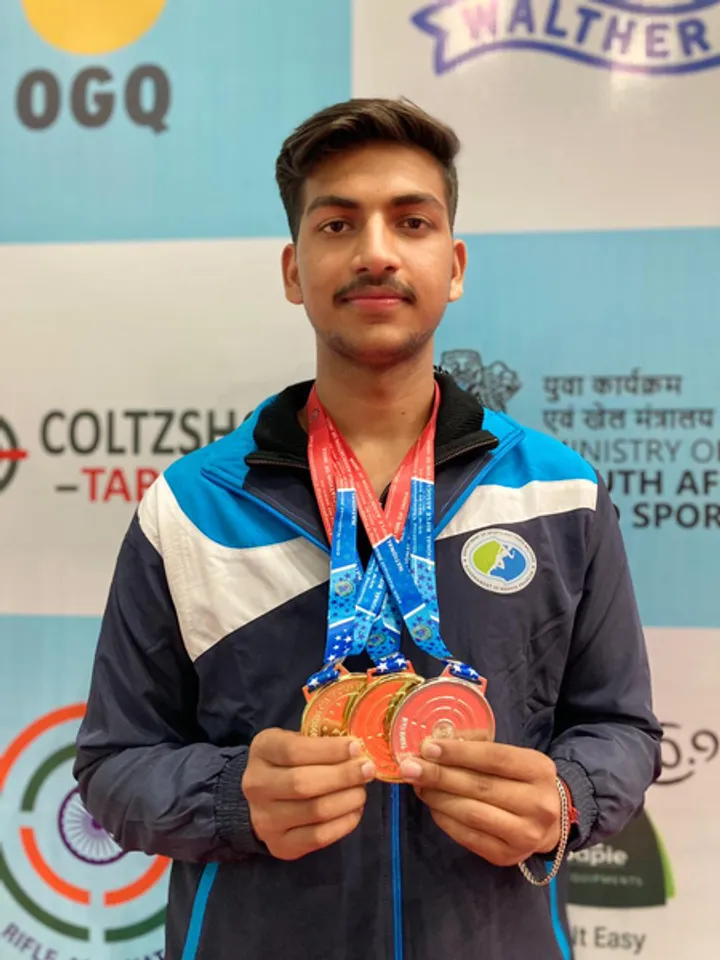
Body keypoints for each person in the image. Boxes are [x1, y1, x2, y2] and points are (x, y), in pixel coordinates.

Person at [74, 98, 662, 960]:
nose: (377, 251)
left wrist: (567, 795)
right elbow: (114, 763)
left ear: (453, 264)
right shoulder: (189, 507)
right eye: (339, 223)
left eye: (411, 221)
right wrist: (230, 800)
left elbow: (623, 730)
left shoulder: (561, 493)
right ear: (293, 268)